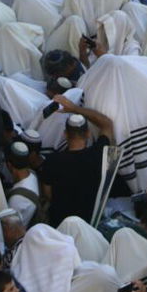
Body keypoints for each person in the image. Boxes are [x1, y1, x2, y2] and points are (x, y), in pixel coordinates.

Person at [39, 97, 115, 226]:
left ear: (65, 134)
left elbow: (48, 194)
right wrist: (74, 108)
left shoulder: (52, 161)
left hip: (60, 224)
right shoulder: (99, 155)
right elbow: (107, 124)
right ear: (88, 134)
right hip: (90, 225)